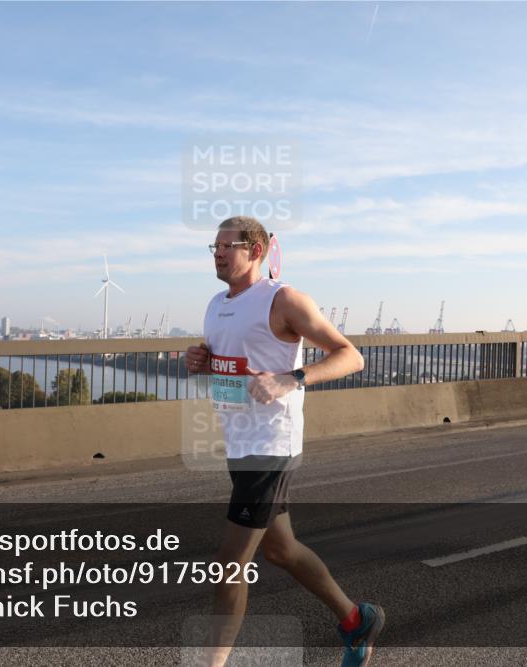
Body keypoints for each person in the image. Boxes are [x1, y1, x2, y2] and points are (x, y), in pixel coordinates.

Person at [186, 216, 385, 667]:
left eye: (226, 245)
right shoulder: (216, 304)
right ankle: (357, 619)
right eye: (212, 246)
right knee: (280, 548)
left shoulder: (284, 299)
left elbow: (351, 356)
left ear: (255, 250)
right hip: (239, 442)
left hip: (271, 444)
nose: (217, 253)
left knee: (229, 565)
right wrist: (200, 359)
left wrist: (291, 378)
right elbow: (231, 361)